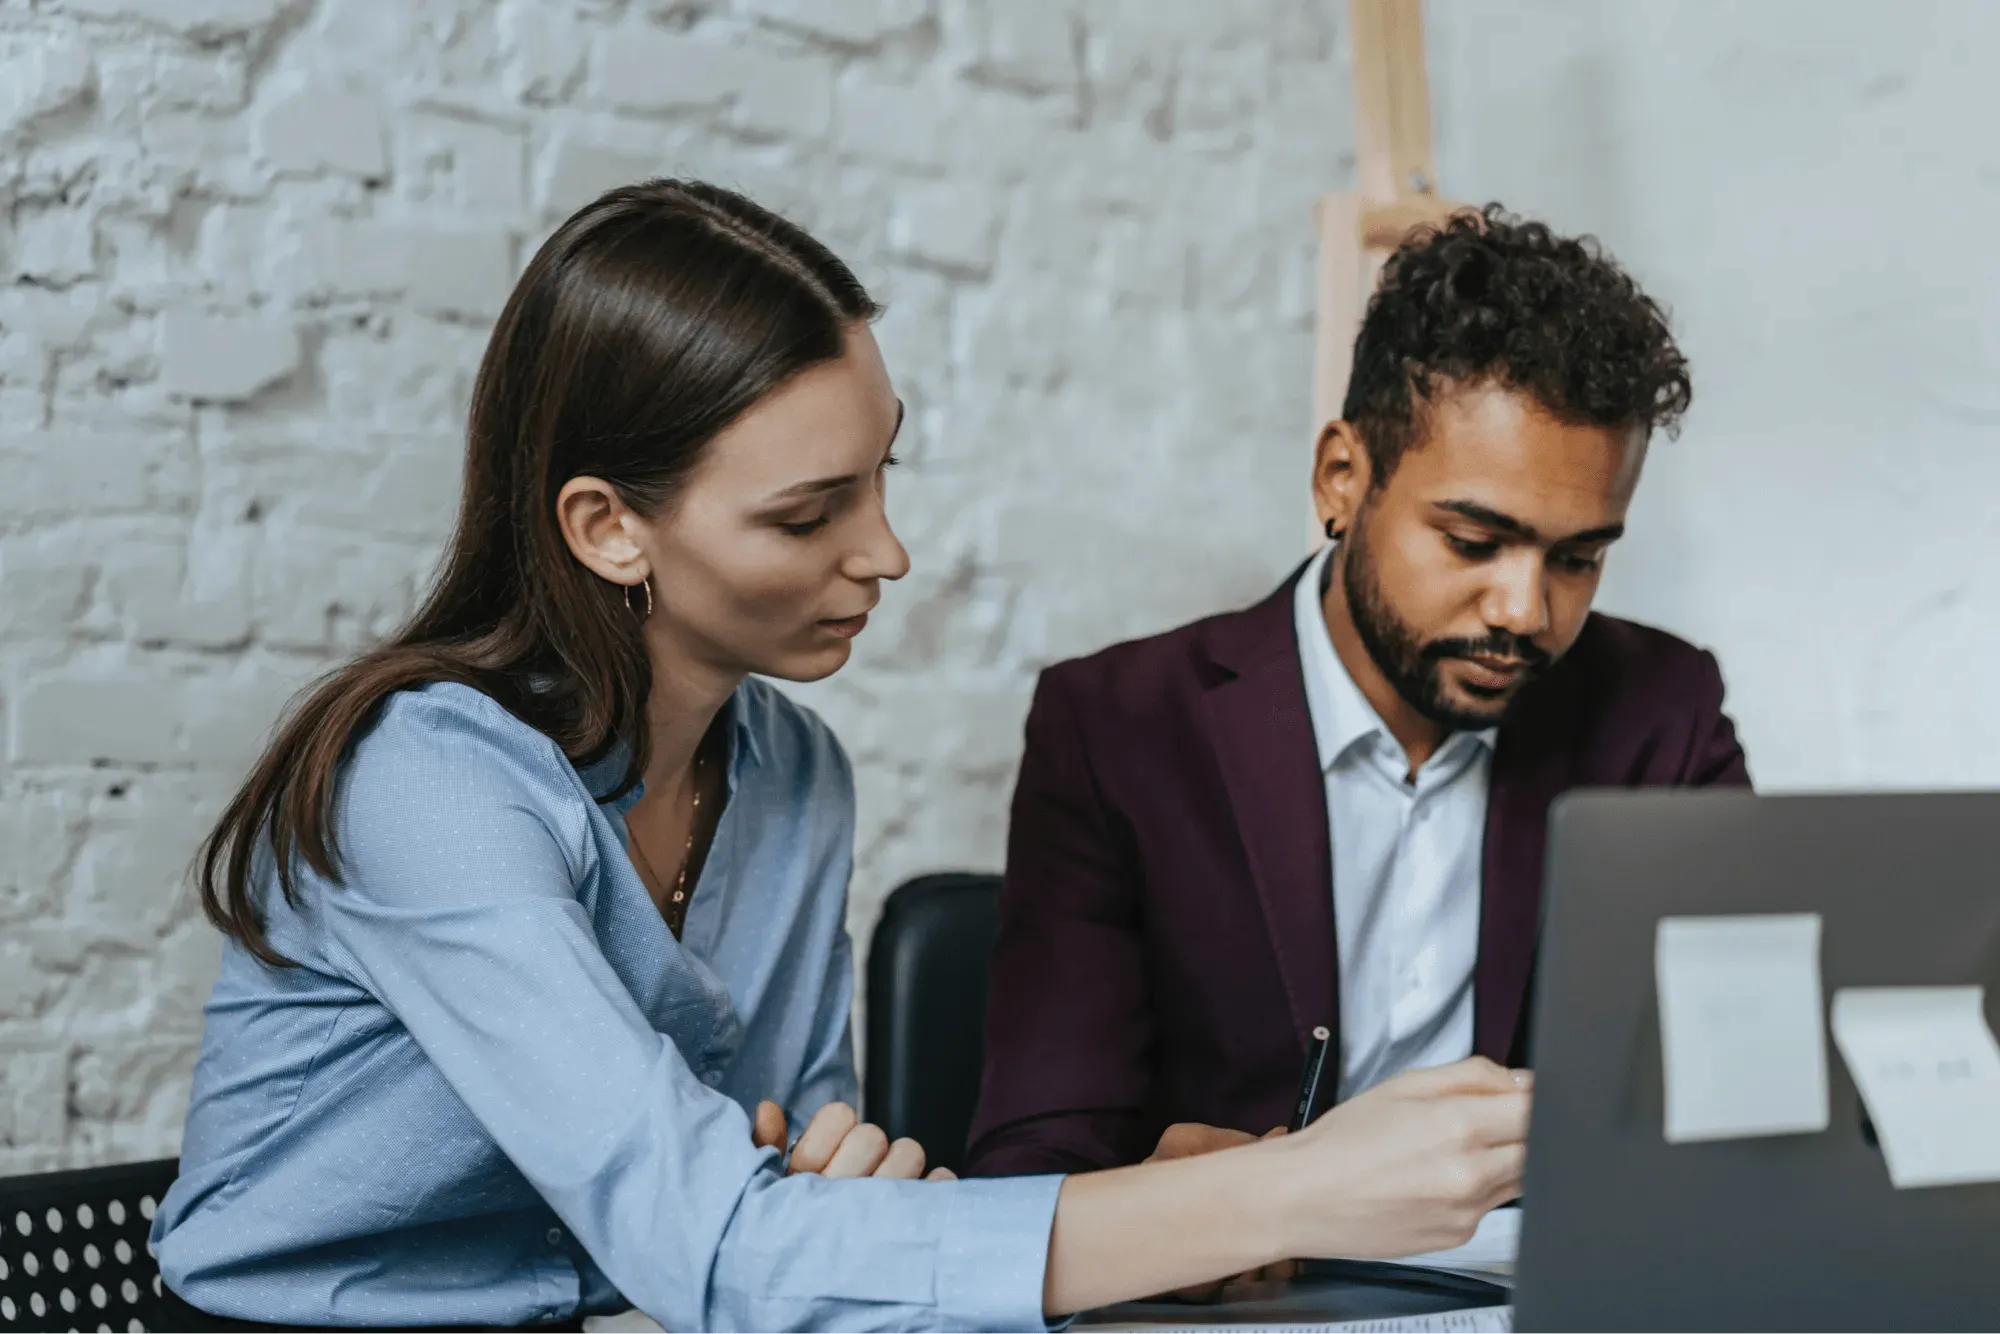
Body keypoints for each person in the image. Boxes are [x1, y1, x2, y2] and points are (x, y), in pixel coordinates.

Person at [152, 180, 1532, 1334]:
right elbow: (727, 1249)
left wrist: (841, 1179)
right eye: (811, 512)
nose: (886, 552)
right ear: (606, 526)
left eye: (882, 477)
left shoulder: (796, 772)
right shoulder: (428, 780)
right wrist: (1285, 1190)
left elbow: (794, 1205)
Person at [967, 206, 1750, 1185]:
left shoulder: (1659, 716)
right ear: (1341, 477)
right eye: (1471, 541)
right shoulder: (1118, 727)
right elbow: (1034, 1157)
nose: (1523, 608)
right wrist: (1179, 1204)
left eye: (1577, 558)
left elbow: (1745, 1093)